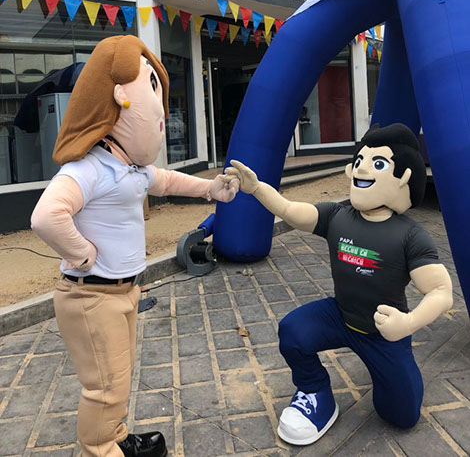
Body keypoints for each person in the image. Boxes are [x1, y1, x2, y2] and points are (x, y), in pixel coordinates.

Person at [31, 35, 239, 457]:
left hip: (124, 291)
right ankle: (100, 448)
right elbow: (46, 216)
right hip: (90, 296)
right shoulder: (88, 168)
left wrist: (210, 189)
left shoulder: (130, 167)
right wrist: (81, 253)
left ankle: (116, 436)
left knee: (119, 378)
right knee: (104, 387)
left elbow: (167, 181)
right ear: (118, 101)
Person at [227, 123, 452, 446]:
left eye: (377, 163)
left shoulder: (410, 235)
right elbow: (290, 211)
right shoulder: (338, 216)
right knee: (294, 331)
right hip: (341, 316)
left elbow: (441, 292)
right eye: (360, 160)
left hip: (384, 331)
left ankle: (397, 378)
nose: (361, 169)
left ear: (403, 177)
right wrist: (258, 188)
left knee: (402, 415)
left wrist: (408, 323)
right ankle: (315, 391)